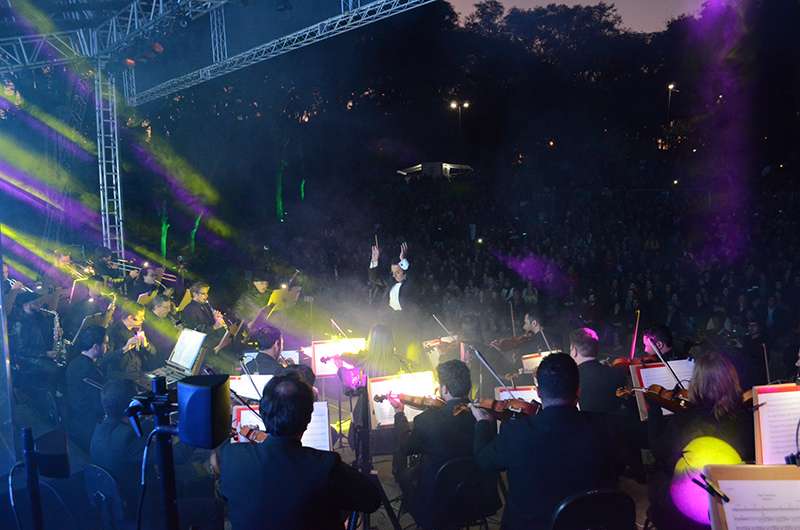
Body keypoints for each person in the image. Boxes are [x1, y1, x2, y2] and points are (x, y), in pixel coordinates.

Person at [471, 353, 626, 530]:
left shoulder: (514, 432)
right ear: (578, 392)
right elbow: (619, 469)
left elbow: (483, 462)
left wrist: (483, 423)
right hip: (593, 524)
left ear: (538, 393)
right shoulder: (606, 425)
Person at [219, 372, 381, 529]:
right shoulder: (325, 465)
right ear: (309, 417)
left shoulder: (230, 456)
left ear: (261, 411)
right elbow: (371, 500)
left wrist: (246, 447)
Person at [90, 379, 225, 530]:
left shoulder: (102, 429)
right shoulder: (126, 441)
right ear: (133, 404)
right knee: (215, 508)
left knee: (182, 485)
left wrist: (148, 417)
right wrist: (199, 428)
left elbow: (133, 433)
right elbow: (177, 455)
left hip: (125, 507)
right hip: (148, 513)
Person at [647, 352, 755, 530]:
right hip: (735, 506)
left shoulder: (684, 419)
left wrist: (654, 410)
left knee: (660, 477)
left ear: (696, 383)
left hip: (687, 512)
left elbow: (658, 451)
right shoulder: (747, 419)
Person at [391, 359, 499, 528]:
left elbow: (405, 448)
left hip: (439, 505)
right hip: (476, 498)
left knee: (405, 474)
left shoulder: (426, 421)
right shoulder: (485, 418)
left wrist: (399, 413)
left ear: (445, 389)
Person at [65, 325, 110, 451]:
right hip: (88, 428)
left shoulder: (74, 363)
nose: (108, 347)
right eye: (105, 344)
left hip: (74, 421)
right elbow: (101, 405)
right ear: (96, 347)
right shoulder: (90, 371)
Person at [569, 327, 626, 417]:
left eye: (570, 350)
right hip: (613, 425)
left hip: (583, 425)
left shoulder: (571, 379)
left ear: (575, 351)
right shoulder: (618, 374)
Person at [103, 302, 157, 380]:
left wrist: (146, 344)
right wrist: (124, 349)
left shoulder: (136, 329)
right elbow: (105, 359)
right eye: (141, 316)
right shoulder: (112, 331)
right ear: (130, 317)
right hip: (122, 377)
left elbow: (154, 352)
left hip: (139, 373)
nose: (143, 319)